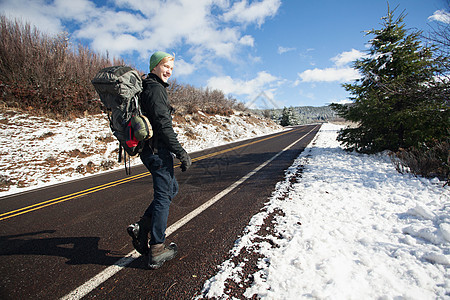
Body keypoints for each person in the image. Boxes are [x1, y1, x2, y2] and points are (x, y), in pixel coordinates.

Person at [127, 51, 192, 269]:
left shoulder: (149, 87)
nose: (169, 72)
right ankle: (157, 248)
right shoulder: (155, 90)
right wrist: (180, 152)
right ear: (154, 66)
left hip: (150, 150)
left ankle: (142, 226)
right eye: (166, 66)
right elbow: (164, 125)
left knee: (171, 189)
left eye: (171, 69)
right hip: (156, 151)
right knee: (164, 196)